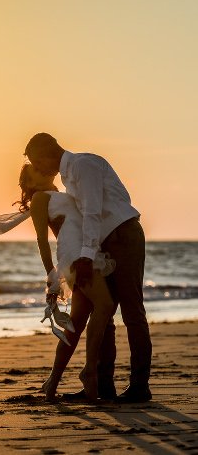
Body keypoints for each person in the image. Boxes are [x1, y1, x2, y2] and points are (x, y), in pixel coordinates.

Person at [24, 132, 152, 403]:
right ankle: (103, 385)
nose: (37, 168)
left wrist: (84, 255)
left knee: (132, 312)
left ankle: (140, 387)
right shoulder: (69, 180)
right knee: (103, 317)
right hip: (103, 245)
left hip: (123, 236)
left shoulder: (83, 165)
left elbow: (93, 212)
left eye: (37, 161)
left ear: (47, 153)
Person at [10, 164, 115, 402]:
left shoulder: (62, 193)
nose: (44, 169)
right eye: (37, 169)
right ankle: (90, 371)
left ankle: (52, 383)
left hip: (88, 253)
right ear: (31, 181)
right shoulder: (39, 198)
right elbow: (42, 240)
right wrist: (51, 275)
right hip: (74, 255)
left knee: (76, 323)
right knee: (105, 305)